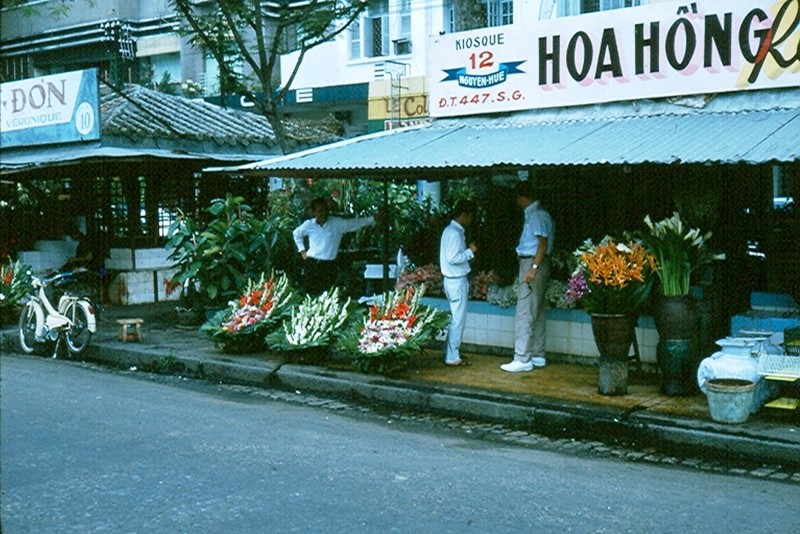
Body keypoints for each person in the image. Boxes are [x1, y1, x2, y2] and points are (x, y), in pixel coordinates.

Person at [501, 181, 555, 373]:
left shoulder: (536, 215)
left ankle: (523, 358)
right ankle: (538, 355)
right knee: (538, 310)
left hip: (532, 262)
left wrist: (532, 268)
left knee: (524, 310)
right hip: (539, 263)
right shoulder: (542, 213)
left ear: (522, 197)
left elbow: (542, 243)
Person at [293, 197, 382, 295]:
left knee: (328, 296)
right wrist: (302, 252)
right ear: (314, 213)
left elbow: (355, 223)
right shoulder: (309, 225)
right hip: (312, 264)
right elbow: (296, 234)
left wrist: (373, 218)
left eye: (325, 210)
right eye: (320, 211)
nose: (323, 213)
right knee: (310, 294)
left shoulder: (337, 223)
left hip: (329, 266)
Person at [439, 199, 478, 367]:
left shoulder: (451, 231)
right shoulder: (454, 233)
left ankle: (451, 352)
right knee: (458, 320)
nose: (471, 221)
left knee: (456, 318)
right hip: (456, 280)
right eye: (470, 217)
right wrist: (471, 251)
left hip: (452, 280)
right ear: (464, 215)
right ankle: (452, 356)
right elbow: (453, 258)